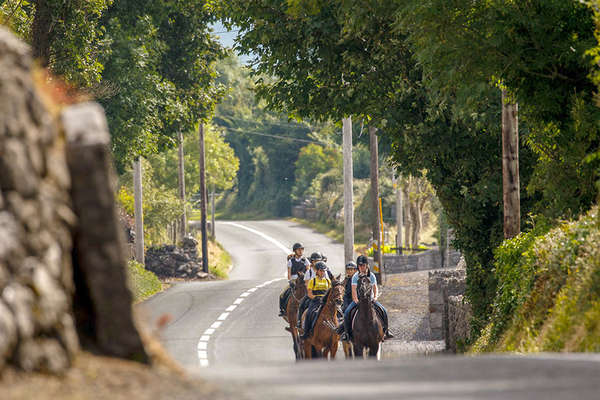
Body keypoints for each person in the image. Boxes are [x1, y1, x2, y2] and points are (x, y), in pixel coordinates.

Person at [338, 255, 393, 341]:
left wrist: (375, 297)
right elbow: (353, 290)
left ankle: (386, 331)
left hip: (370, 300)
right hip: (358, 300)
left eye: (363, 265)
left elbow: (375, 288)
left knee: (384, 311)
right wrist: (355, 300)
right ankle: (347, 333)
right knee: (347, 313)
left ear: (367, 265)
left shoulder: (371, 276)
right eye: (360, 266)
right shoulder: (355, 277)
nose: (361, 267)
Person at [297, 252, 332, 325]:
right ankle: (300, 322)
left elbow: (329, 290)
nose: (322, 272)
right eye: (315, 261)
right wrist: (315, 297)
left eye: (319, 260)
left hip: (324, 298)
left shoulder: (327, 277)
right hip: (313, 295)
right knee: (303, 306)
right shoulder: (309, 272)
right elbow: (307, 287)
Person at [301, 261, 331, 339]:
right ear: (316, 271)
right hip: (315, 301)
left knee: (338, 313)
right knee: (309, 313)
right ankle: (306, 332)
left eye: (324, 271)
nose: (322, 272)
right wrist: (316, 298)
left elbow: (330, 293)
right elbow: (309, 294)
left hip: (325, 302)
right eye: (321, 271)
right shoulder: (312, 281)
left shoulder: (328, 281)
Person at [278, 243, 309, 316]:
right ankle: (282, 310)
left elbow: (308, 271)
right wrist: (290, 281)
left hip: (303, 281)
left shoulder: (305, 260)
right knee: (282, 294)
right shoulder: (290, 261)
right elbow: (289, 273)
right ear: (295, 251)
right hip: (294, 281)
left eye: (302, 249)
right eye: (299, 250)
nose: (301, 251)